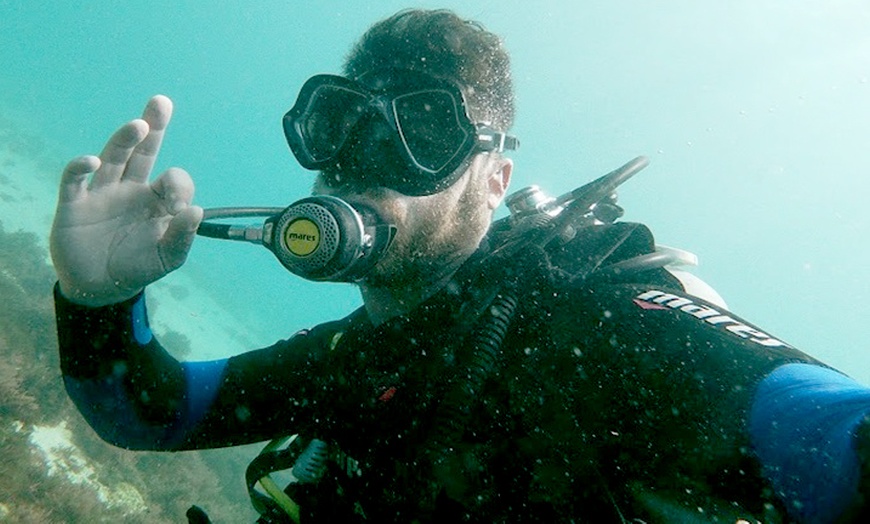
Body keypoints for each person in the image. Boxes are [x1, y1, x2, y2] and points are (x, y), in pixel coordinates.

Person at [49, 8, 870, 523]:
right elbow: (149, 414)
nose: (362, 164)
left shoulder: (606, 323)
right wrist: (97, 299)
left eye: (423, 134)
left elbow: (833, 432)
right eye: (338, 124)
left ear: (496, 178)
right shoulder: (352, 359)